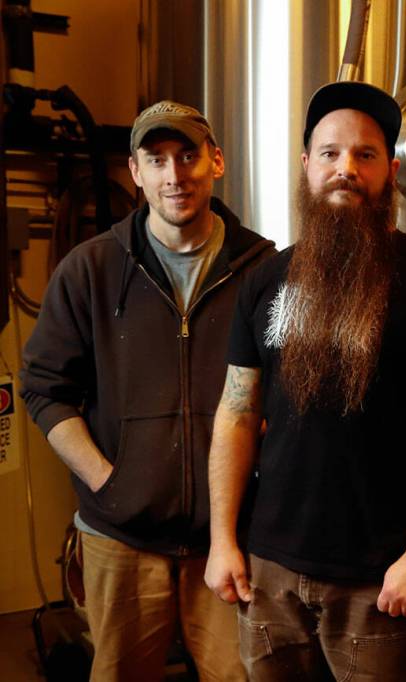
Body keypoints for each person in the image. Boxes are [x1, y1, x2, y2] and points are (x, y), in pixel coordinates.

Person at [203, 81, 406, 681]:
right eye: (330, 153)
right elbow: (236, 413)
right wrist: (223, 539)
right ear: (307, 165)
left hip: (380, 579)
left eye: (365, 154)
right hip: (269, 574)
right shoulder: (264, 282)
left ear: (391, 171)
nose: (345, 169)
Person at [20, 100, 275, 680]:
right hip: (121, 539)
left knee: (242, 676)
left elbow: (287, 392)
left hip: (230, 536)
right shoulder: (90, 269)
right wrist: (108, 481)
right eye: (156, 160)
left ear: (216, 161)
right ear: (135, 171)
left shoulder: (262, 270)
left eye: (187, 156)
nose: (173, 175)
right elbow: (44, 389)